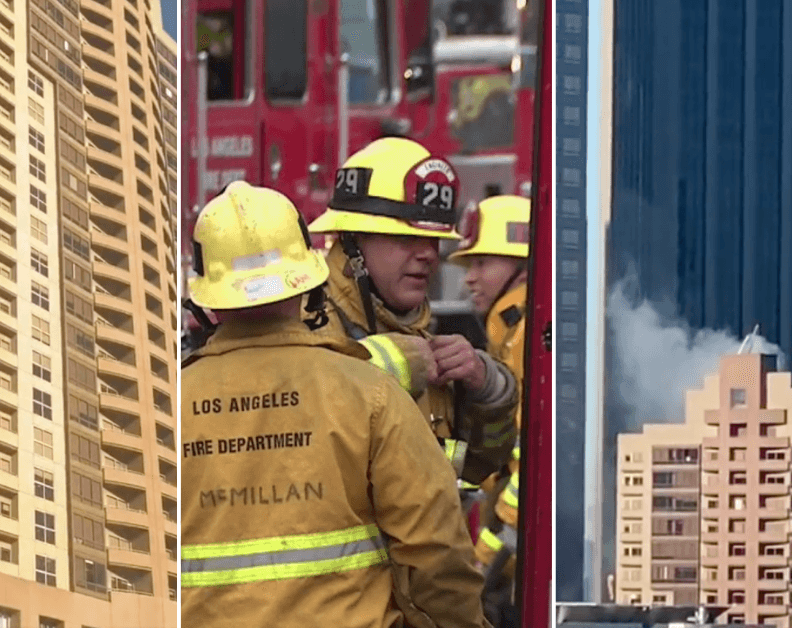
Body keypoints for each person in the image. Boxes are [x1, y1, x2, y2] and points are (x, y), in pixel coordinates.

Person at [180, 181, 489, 628]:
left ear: (208, 298)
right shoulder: (372, 396)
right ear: (306, 279)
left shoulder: (164, 409)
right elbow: (434, 550)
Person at [306, 137, 519, 488]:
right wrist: (386, 365)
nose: (429, 256)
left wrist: (488, 388)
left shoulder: (420, 339)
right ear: (352, 242)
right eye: (406, 239)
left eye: (433, 241)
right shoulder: (305, 327)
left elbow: (469, 471)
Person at [447, 195, 530, 625]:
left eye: (483, 264)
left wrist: (484, 560)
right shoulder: (510, 329)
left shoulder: (525, 332)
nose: (470, 279)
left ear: (521, 264)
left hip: (523, 559)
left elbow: (532, 462)